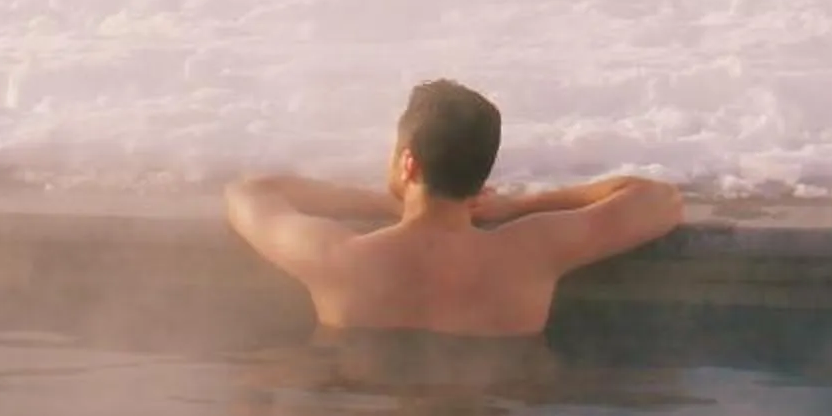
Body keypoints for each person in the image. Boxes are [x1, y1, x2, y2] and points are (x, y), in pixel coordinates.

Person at [223, 79, 684, 337]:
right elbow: (659, 200)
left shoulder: (338, 259)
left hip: (376, 402)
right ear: (482, 169)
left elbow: (250, 192)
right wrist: (523, 205)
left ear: (408, 163)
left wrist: (390, 202)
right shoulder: (531, 254)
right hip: (489, 415)